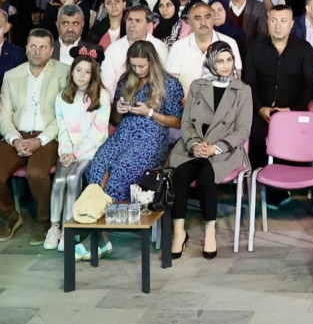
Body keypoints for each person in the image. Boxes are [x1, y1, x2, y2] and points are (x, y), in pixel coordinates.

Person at [84, 41, 183, 256]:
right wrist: (118, 109)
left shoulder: (170, 84)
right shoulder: (126, 79)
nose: (137, 70)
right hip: (124, 134)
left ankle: (100, 233)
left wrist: (149, 113)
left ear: (152, 63)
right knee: (97, 168)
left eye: (141, 66)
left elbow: (177, 122)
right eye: (134, 66)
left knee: (120, 173)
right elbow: (117, 120)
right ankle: (101, 236)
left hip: (151, 137)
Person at [166, 41, 251, 259]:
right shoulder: (197, 85)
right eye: (220, 61)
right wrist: (195, 144)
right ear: (210, 62)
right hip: (193, 147)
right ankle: (178, 233)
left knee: (206, 176)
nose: (225, 66)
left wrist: (215, 147)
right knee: (180, 175)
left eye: (229, 60)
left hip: (224, 151)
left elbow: (243, 130)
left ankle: (210, 232)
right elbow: (186, 123)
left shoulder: (242, 89)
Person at [0, 29, 69, 244]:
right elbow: (4, 114)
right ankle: (10, 216)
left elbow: (66, 114)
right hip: (18, 134)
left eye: (42, 47)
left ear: (51, 50)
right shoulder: (12, 76)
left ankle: (43, 221)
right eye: (32, 46)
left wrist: (41, 140)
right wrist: (14, 139)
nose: (37, 52)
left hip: (48, 135)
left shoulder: (64, 72)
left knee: (37, 173)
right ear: (26, 47)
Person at [241, 4, 313, 174]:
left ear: (291, 24)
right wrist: (261, 108)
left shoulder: (303, 49)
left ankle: (293, 180)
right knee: (255, 134)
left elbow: (309, 85)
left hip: (293, 111)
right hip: (262, 110)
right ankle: (261, 178)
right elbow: (249, 83)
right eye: (274, 21)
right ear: (267, 22)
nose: (278, 26)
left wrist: (292, 110)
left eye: (283, 21)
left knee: (296, 137)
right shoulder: (255, 48)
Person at [49, 53, 108, 250]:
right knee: (59, 180)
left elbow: (98, 133)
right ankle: (54, 227)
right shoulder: (63, 96)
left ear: (93, 75)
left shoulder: (101, 96)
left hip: (91, 150)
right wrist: (66, 151)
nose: (82, 76)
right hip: (68, 150)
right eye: (78, 70)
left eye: (87, 72)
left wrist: (76, 153)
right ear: (72, 72)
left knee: (73, 178)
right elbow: (62, 127)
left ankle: (69, 229)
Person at [165, 1, 241, 96]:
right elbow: (171, 84)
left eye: (207, 17)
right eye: (197, 18)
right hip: (186, 105)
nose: (203, 22)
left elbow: (236, 81)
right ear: (189, 22)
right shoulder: (178, 46)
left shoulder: (230, 42)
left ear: (213, 19)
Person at [100, 4, 169, 99]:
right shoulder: (113, 48)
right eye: (129, 20)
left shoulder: (159, 47)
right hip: (119, 103)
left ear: (148, 25)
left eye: (138, 21)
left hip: (152, 103)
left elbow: (163, 80)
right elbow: (107, 82)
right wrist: (118, 103)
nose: (132, 24)